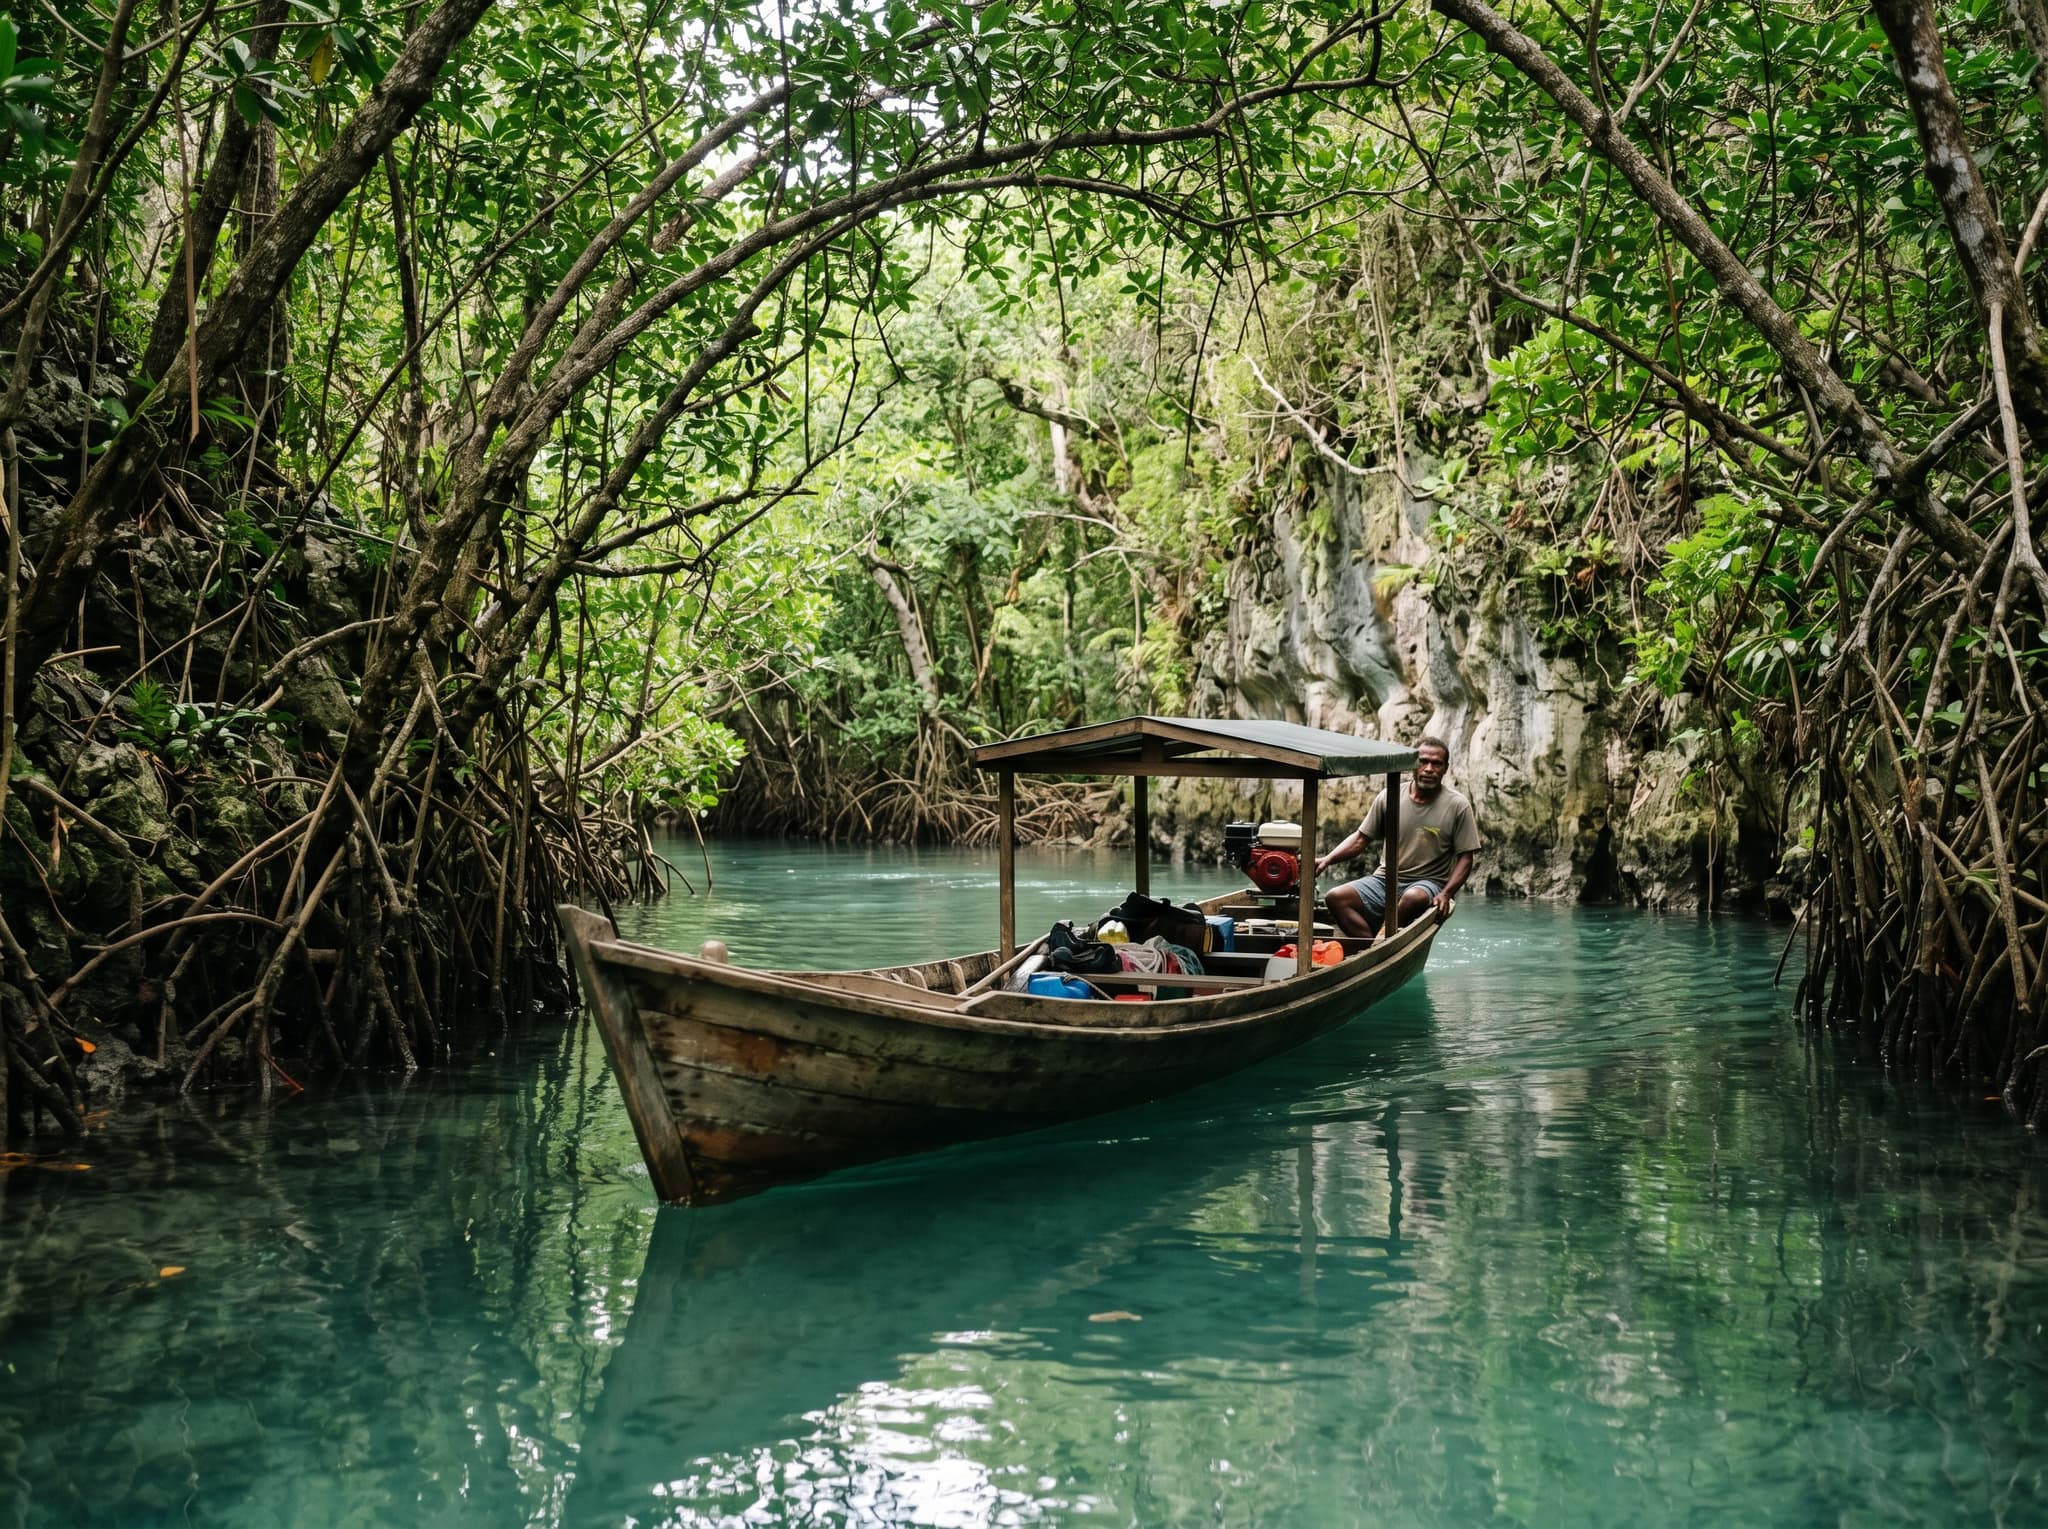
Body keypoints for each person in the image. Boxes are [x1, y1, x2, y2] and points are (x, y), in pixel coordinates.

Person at [1314, 735, 1480, 939]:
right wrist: (1327, 860)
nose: (1428, 768)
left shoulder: (1457, 805)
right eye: (1423, 762)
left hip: (1427, 882)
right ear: (1413, 765)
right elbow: (1360, 838)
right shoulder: (1389, 796)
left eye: (1436, 764)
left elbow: (1466, 857)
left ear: (1445, 768)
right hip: (1384, 880)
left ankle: (1384, 938)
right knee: (1335, 897)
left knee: (1413, 897)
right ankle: (1372, 948)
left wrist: (1446, 893)